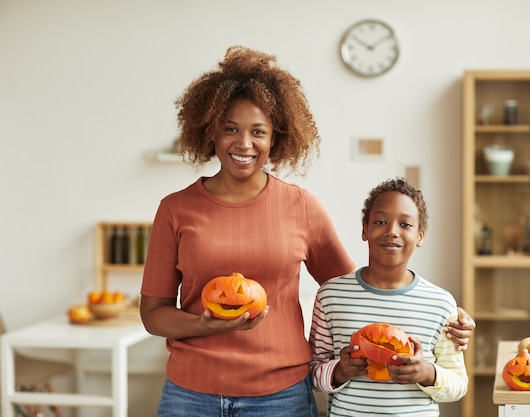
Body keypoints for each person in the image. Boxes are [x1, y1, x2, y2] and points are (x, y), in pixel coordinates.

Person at [140, 46, 473, 417]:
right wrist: (201, 324)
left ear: (276, 138)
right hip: (190, 393)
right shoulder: (175, 209)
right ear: (210, 131)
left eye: (258, 132)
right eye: (230, 129)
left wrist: (449, 320)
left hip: (280, 395)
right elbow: (154, 313)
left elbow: (360, 291)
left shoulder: (302, 207)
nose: (244, 143)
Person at [309, 177, 468, 417]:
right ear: (365, 229)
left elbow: (458, 384)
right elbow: (312, 372)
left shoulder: (441, 303)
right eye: (380, 221)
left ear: (420, 236)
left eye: (405, 225)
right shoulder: (331, 296)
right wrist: (340, 370)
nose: (392, 231)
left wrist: (426, 373)